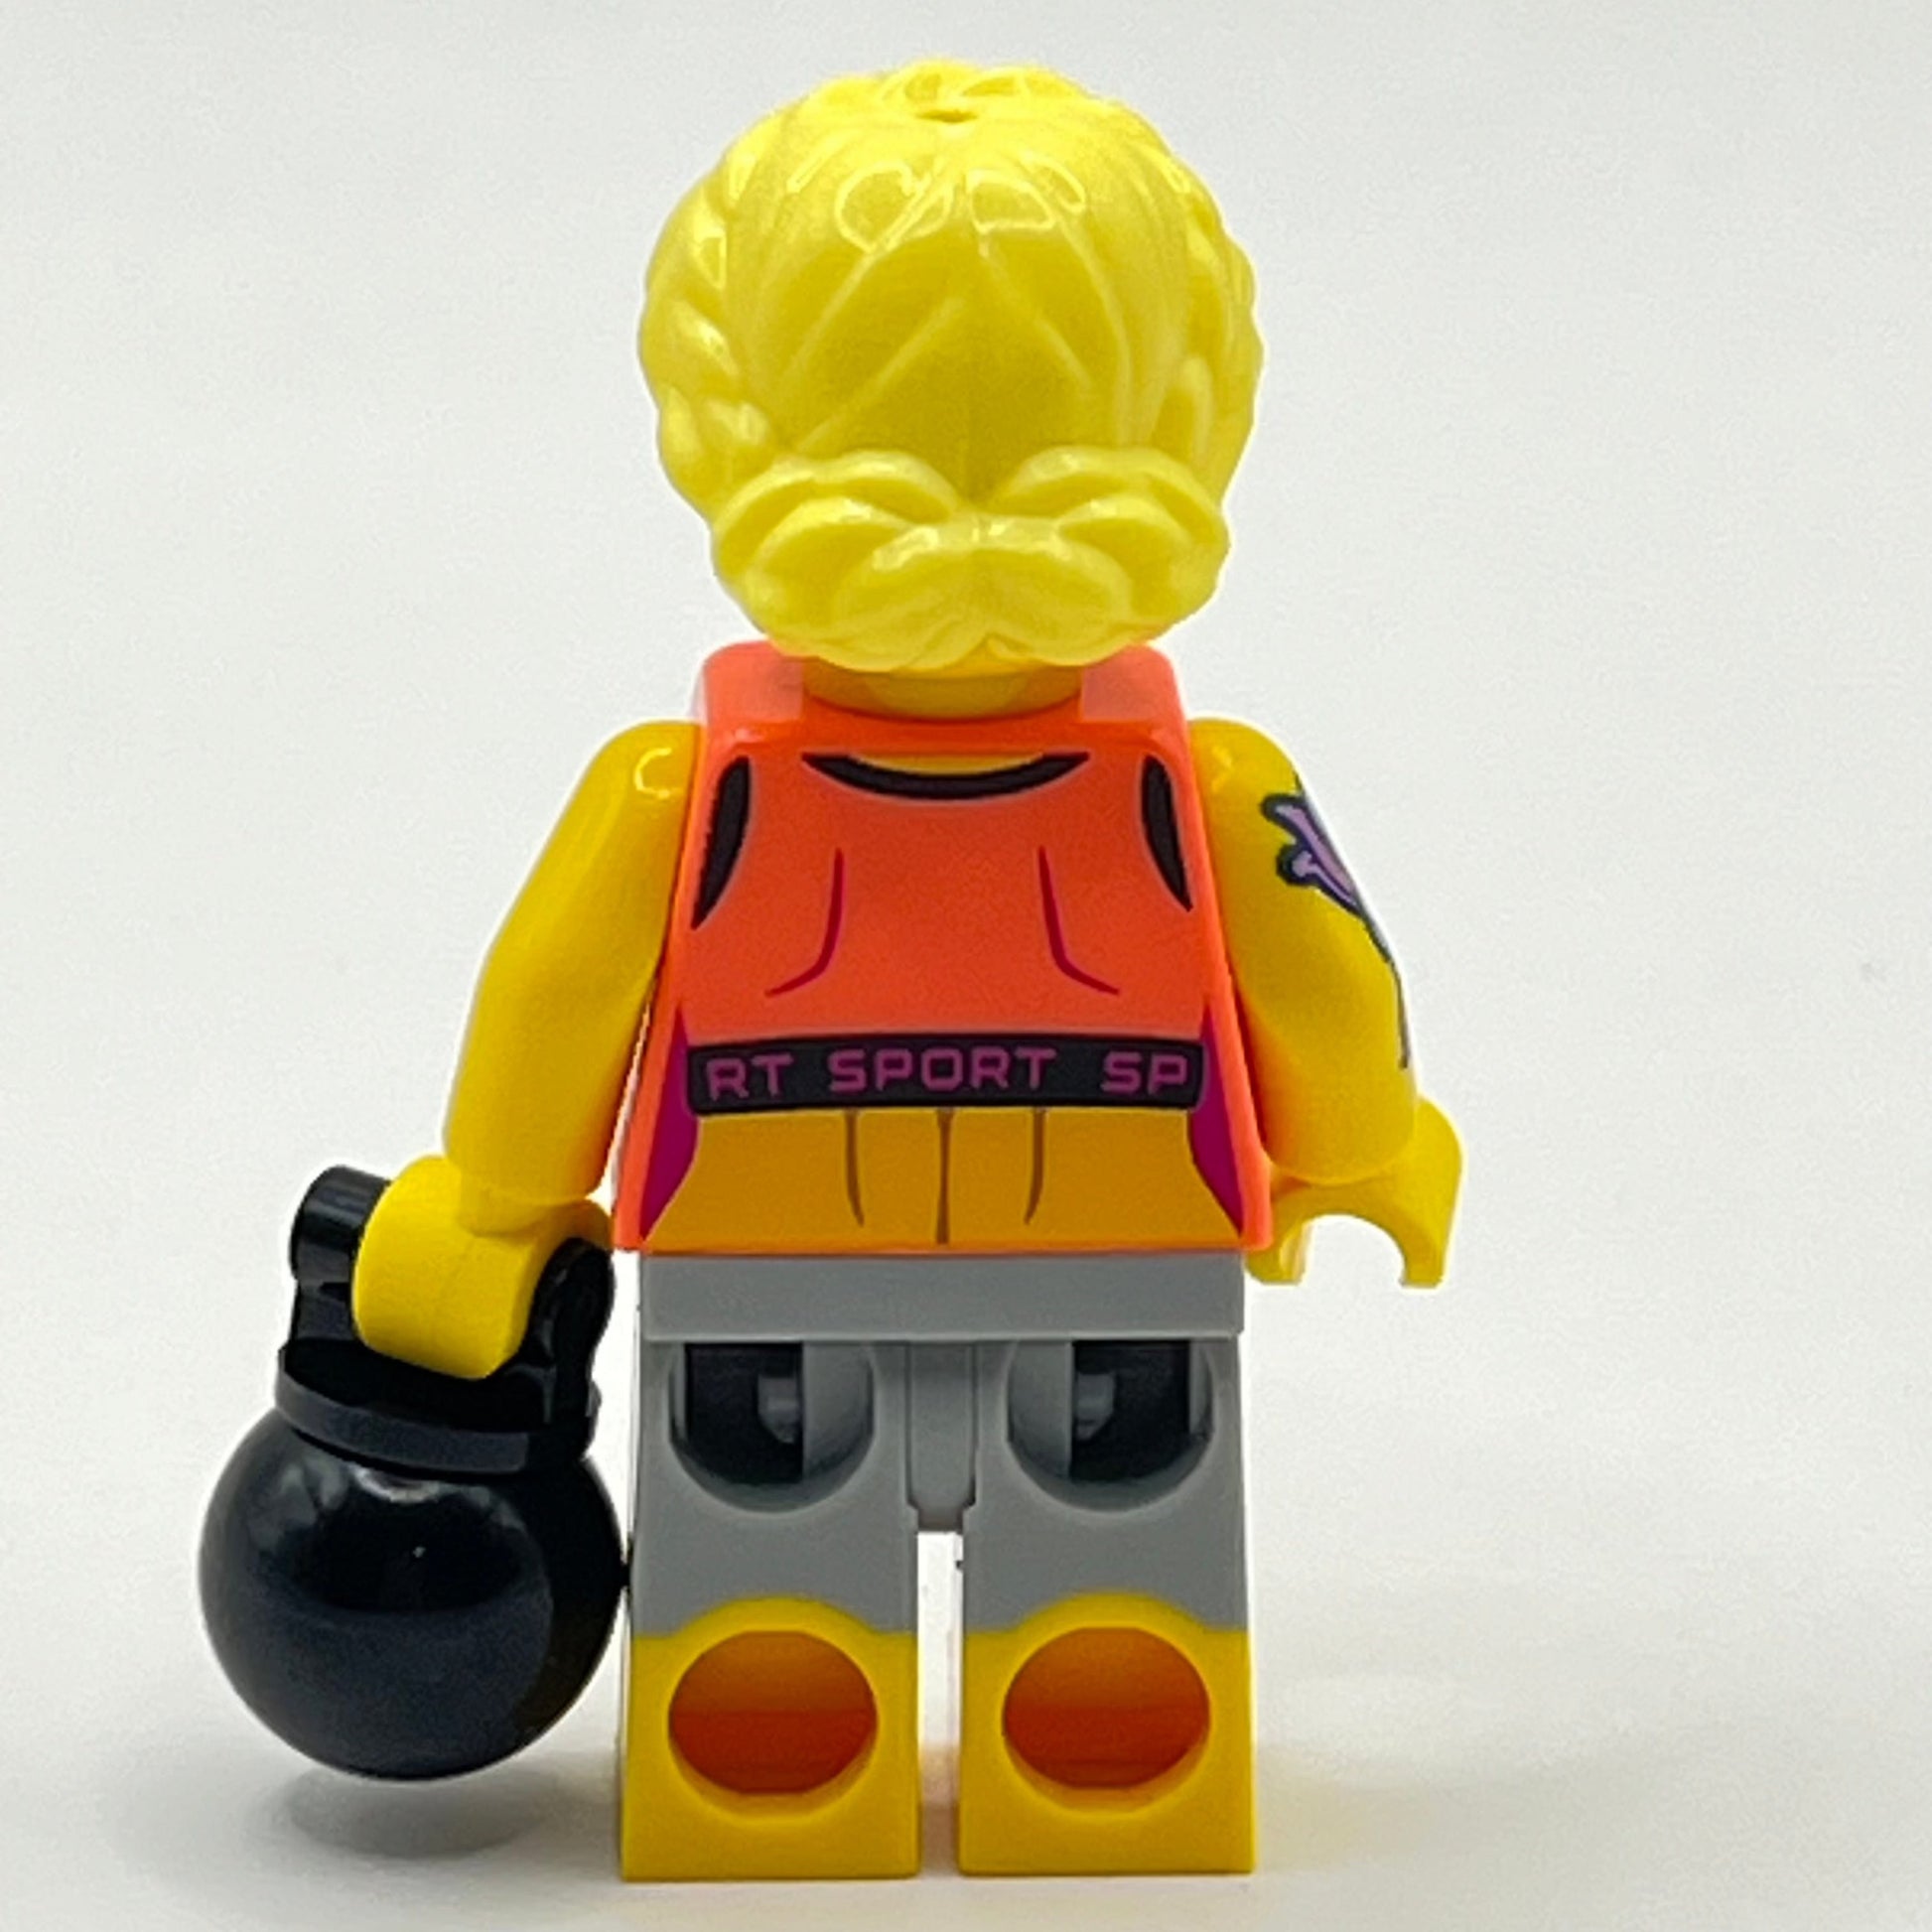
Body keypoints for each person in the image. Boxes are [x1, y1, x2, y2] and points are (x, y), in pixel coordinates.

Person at [348, 60, 1459, 1879]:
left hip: (878, 1276)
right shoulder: (729, 796)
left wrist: (493, 1208)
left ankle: (869, 1780)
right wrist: (1366, 1145)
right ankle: (1004, 1775)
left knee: (954, 1590)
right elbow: (1328, 989)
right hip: (1005, 1274)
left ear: (709, 423)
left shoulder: (700, 800)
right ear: (1204, 414)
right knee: (996, 1582)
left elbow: (552, 1004)